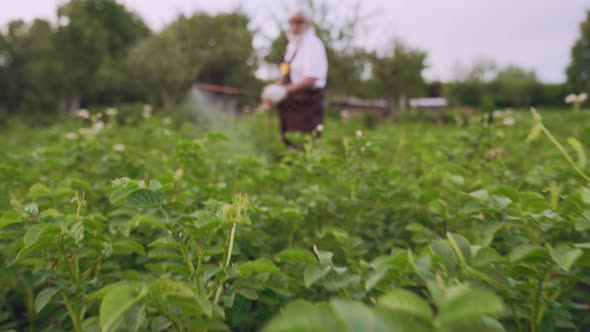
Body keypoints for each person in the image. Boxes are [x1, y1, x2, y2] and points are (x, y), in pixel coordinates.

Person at [263, 7, 328, 146]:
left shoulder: (312, 44)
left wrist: (285, 91)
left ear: (308, 24)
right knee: (290, 141)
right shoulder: (292, 46)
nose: (294, 27)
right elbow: (287, 73)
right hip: (291, 104)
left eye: (299, 22)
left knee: (304, 144)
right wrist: (274, 90)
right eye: (291, 23)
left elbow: (311, 79)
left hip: (306, 104)